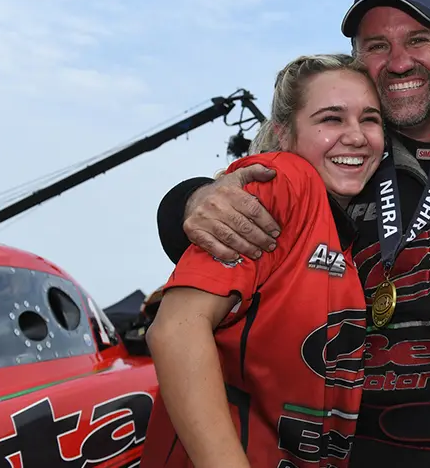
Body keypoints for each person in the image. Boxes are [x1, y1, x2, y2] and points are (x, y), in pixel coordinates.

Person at [154, 0, 430, 467]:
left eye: (420, 40)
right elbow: (255, 201)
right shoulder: (335, 158)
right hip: (372, 446)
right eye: (378, 45)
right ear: (360, 61)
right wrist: (189, 201)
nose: (400, 59)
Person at [140, 54, 384, 468]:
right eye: (331, 119)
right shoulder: (284, 180)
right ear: (283, 133)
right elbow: (175, 330)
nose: (356, 136)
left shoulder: (345, 227)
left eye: (370, 119)